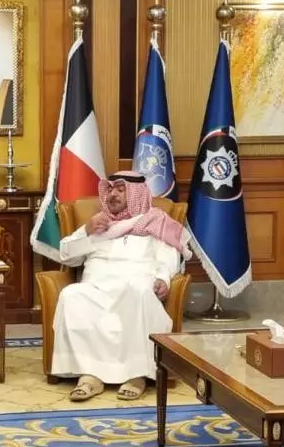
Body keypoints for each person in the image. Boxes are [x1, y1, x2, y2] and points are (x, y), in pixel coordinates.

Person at [51, 171, 192, 402]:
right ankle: (90, 375)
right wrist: (86, 231)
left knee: (138, 290)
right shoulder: (99, 223)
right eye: (110, 189)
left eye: (120, 189)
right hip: (96, 292)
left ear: (137, 193)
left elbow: (168, 260)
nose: (112, 195)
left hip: (134, 291)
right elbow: (66, 256)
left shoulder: (155, 223)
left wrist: (163, 280)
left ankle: (136, 375)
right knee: (71, 294)